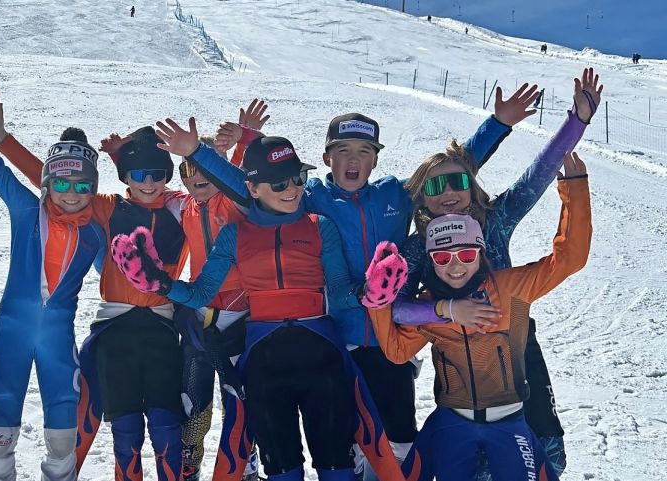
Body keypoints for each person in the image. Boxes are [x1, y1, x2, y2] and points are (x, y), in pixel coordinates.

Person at [200, 89, 537, 479]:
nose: (353, 160)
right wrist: (201, 152)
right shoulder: (310, 198)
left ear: (375, 159)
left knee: (397, 435)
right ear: (327, 158)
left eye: (363, 151)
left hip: (386, 338)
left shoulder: (395, 193)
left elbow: (446, 174)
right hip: (334, 338)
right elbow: (254, 185)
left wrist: (499, 124)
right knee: (342, 438)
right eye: (343, 151)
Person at [114, 123, 410, 481]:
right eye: (280, 183)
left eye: (298, 179)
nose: (293, 190)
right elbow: (199, 294)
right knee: (281, 465)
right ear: (252, 188)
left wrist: (370, 294)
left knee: (336, 462)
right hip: (264, 362)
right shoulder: (235, 235)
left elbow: (340, 293)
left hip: (323, 357)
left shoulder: (319, 226)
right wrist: (160, 283)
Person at [394, 67, 602, 479]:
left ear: (472, 186)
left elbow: (539, 173)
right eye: (435, 189)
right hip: (460, 357)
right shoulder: (418, 247)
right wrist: (448, 311)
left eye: (457, 183)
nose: (449, 194)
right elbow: (394, 307)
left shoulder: (496, 219)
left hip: (517, 339)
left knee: (548, 453)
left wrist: (577, 121)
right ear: (421, 199)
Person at [0, 94, 189, 480]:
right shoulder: (105, 208)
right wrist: (3, 140)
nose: (151, 182)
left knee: (165, 426)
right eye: (140, 175)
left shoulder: (179, 207)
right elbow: (62, 185)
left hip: (160, 325)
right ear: (126, 178)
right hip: (113, 325)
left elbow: (213, 198)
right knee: (113, 426)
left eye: (160, 174)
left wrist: (226, 151)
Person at [0, 56, 107, 481]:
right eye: (62, 183)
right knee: (0, 429)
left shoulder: (96, 235)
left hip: (56, 342)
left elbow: (123, 281)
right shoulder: (27, 210)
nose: (71, 194)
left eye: (82, 185)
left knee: (63, 436)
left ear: (94, 188)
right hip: (12, 333)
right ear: (47, 183)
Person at [372, 151, 592, 481]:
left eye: (465, 253)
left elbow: (569, 259)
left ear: (480, 251)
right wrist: (378, 305)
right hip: (453, 422)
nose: (455, 264)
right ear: (430, 260)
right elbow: (396, 350)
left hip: (509, 422)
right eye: (443, 257)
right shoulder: (431, 305)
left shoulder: (511, 288)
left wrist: (574, 189)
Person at [176, 100, 271, 481]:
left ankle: (244, 466)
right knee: (194, 403)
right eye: (187, 167)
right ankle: (189, 465)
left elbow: (243, 178)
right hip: (199, 319)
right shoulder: (180, 204)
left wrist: (246, 141)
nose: (196, 174)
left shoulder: (232, 202)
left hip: (242, 317)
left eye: (204, 167)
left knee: (242, 401)